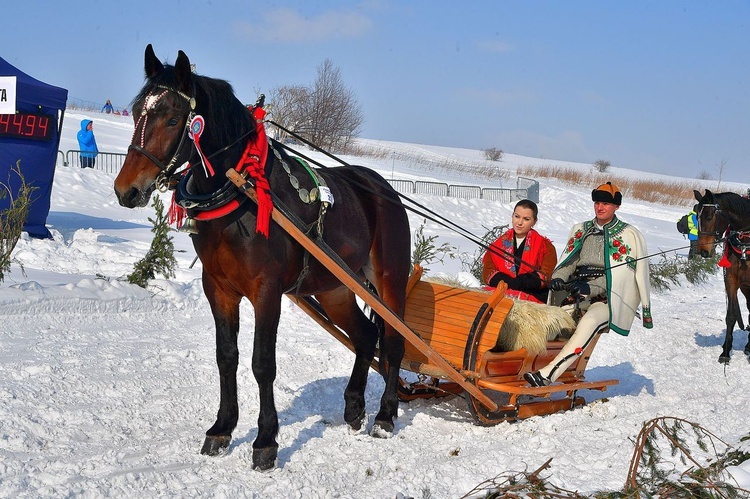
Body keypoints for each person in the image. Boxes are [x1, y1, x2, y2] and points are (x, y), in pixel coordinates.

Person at [524, 182, 653, 387]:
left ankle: (547, 375)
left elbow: (622, 276)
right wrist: (559, 277)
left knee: (589, 323)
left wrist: (591, 288)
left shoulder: (629, 235)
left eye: (606, 204)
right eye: (597, 202)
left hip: (609, 299)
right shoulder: (581, 230)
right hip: (577, 292)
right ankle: (521, 367)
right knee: (549, 322)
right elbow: (569, 261)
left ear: (616, 207)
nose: (600, 207)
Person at [481, 199, 557, 303]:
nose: (519, 223)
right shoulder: (498, 244)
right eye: (517, 216)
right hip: (501, 291)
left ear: (534, 221)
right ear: (512, 216)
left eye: (526, 219)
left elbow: (546, 274)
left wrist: (521, 282)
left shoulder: (546, 247)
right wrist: (508, 283)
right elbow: (488, 272)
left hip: (532, 297)